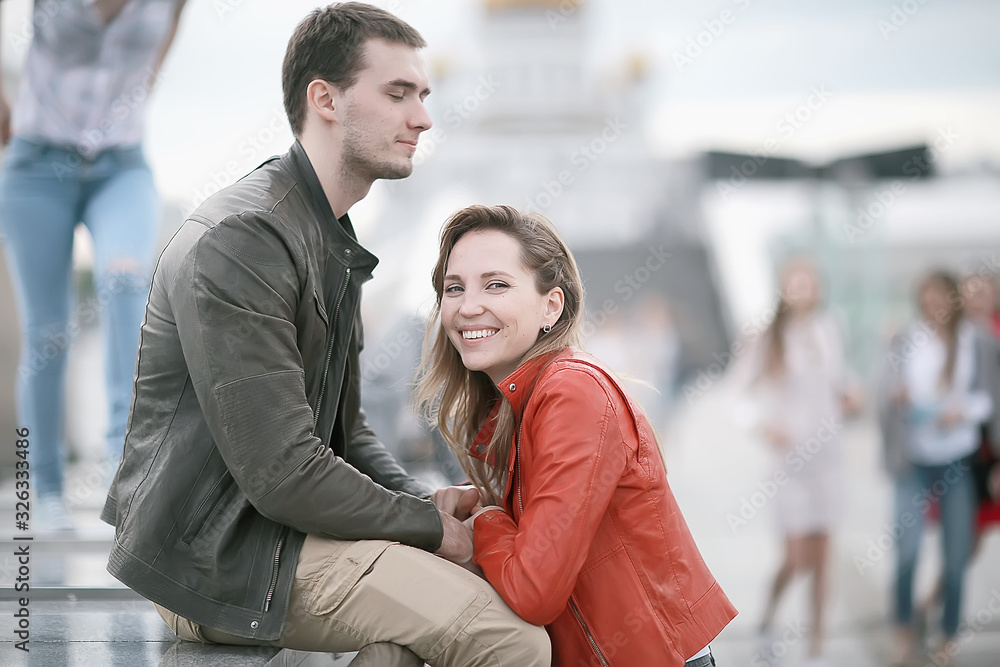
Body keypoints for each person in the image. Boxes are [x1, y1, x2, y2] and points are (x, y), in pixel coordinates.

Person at [101, 5, 549, 666]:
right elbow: (283, 471)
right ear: (325, 99)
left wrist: (422, 501)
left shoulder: (325, 233)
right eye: (398, 94)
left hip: (275, 535)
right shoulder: (246, 240)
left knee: (407, 641)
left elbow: (347, 431)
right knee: (516, 638)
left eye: (422, 96)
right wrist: (434, 531)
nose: (422, 118)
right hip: (221, 559)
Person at [415, 204, 737, 667]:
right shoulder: (520, 403)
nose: (467, 306)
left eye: (496, 284)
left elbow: (534, 590)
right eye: (453, 288)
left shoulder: (571, 392)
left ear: (552, 305)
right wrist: (476, 499)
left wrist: (483, 519)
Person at [0, 0, 188, 532]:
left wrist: (127, 99)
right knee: (48, 332)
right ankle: (47, 487)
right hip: (36, 165)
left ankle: (122, 468)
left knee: (126, 282)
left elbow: (163, 42)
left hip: (120, 167)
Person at [730, 259, 859, 667]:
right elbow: (738, 394)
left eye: (809, 281)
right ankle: (767, 620)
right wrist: (763, 425)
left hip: (829, 459)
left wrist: (854, 394)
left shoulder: (830, 328)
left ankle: (816, 647)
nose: (803, 289)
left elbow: (840, 380)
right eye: (795, 282)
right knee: (795, 557)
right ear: (784, 289)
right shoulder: (769, 335)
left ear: (818, 288)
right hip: (789, 462)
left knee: (823, 556)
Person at [878, 270, 992, 667]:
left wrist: (964, 412)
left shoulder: (975, 339)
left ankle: (947, 636)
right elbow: (889, 390)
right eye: (926, 298)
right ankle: (904, 629)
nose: (934, 305)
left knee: (956, 555)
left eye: (940, 297)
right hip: (914, 458)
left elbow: (990, 395)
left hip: (957, 457)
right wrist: (898, 395)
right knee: (906, 551)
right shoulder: (908, 338)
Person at [914, 273, 1000, 646]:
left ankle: (932, 607)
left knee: (968, 541)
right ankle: (934, 610)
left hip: (990, 448)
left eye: (986, 291)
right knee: (965, 540)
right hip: (966, 453)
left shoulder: (990, 333)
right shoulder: (956, 334)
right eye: (971, 292)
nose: (978, 298)